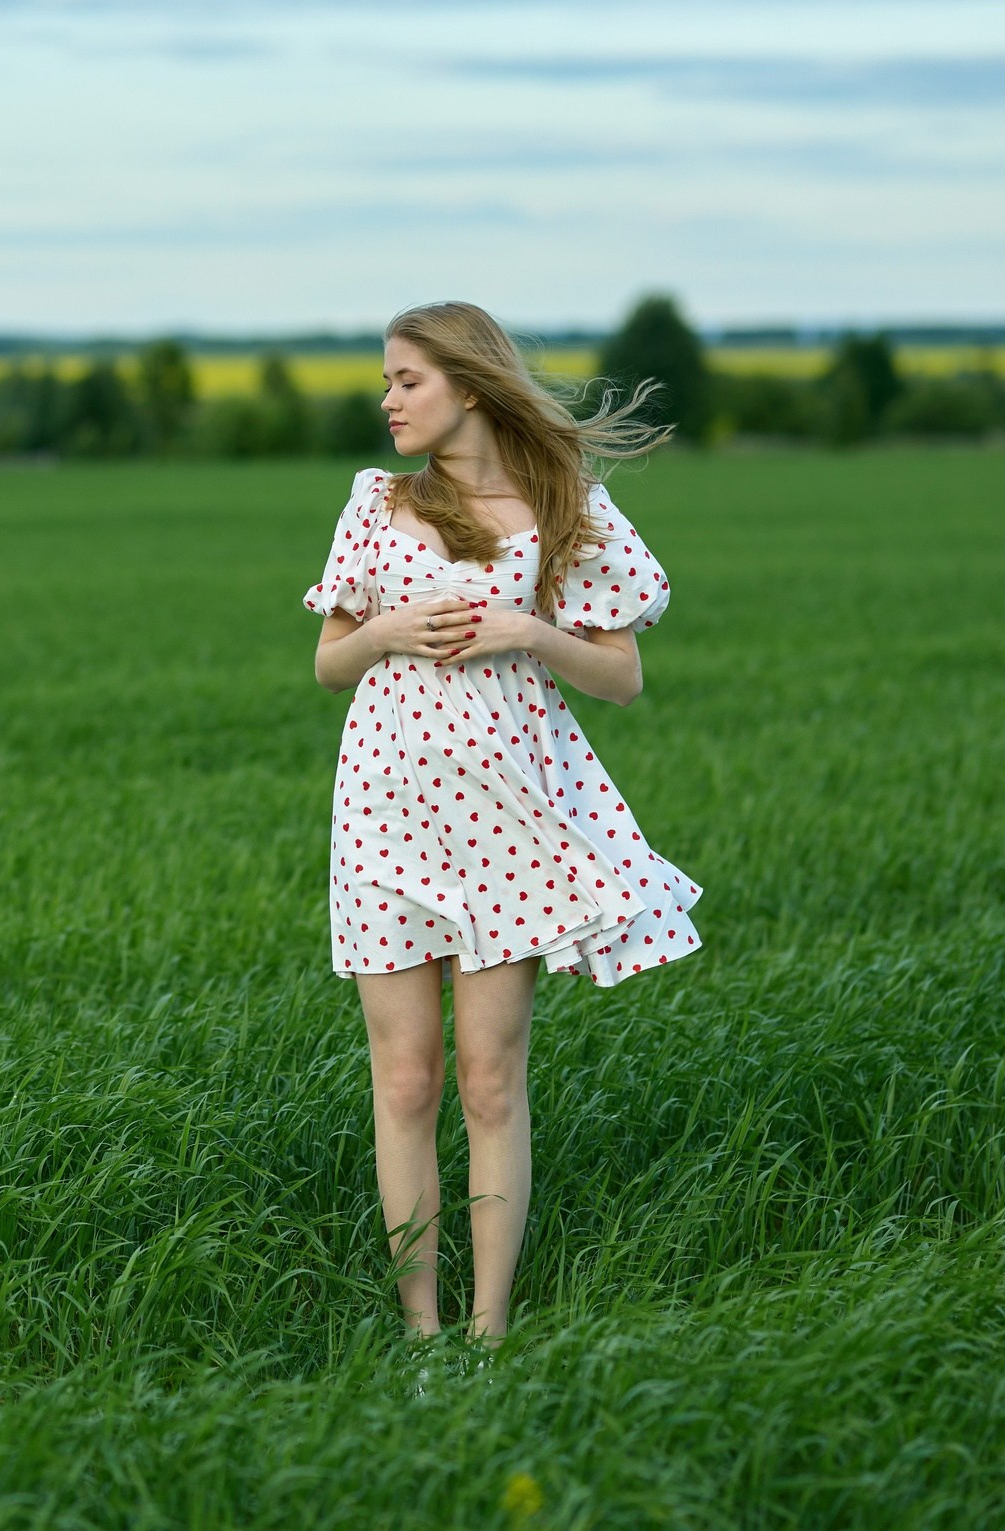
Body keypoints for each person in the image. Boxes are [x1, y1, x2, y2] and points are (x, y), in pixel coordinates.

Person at [303, 300, 703, 1342]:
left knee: (488, 1077)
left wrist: (530, 630)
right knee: (405, 1076)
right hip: (385, 810)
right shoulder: (375, 502)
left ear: (467, 387)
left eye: (406, 380)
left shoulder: (564, 506)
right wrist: (385, 628)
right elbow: (328, 662)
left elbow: (621, 679)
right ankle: (421, 1335)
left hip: (509, 818)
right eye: (386, 382)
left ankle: (489, 1332)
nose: (386, 400)